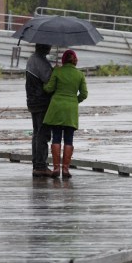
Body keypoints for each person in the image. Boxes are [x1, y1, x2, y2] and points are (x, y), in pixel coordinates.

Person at [43, 49, 88, 179]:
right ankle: (66, 169)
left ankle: (56, 168)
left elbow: (49, 89)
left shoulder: (57, 71)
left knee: (56, 137)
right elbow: (84, 94)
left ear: (63, 60)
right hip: (70, 110)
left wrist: (47, 81)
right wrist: (74, 101)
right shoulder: (79, 74)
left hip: (56, 108)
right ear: (75, 60)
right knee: (69, 139)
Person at [25, 43, 53, 177]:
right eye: (49, 45)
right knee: (43, 134)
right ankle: (41, 166)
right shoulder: (41, 62)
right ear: (45, 47)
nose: (51, 47)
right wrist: (56, 71)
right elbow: (49, 81)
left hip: (32, 101)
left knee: (36, 133)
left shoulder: (31, 59)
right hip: (42, 102)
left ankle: (36, 164)